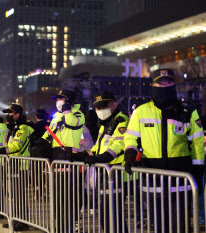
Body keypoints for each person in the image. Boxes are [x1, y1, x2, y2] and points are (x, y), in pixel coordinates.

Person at [124, 69, 205, 233]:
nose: (164, 85)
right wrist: (130, 153)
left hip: (181, 180)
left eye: (168, 82)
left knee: (180, 227)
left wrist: (198, 169)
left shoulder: (188, 111)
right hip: (153, 180)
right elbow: (130, 138)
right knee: (159, 226)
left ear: (174, 84)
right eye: (160, 82)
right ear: (152, 85)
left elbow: (197, 142)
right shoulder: (140, 111)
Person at [71, 91, 130, 233]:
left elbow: (119, 145)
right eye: (97, 107)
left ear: (114, 104)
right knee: (105, 216)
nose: (100, 110)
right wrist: (84, 155)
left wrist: (100, 158)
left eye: (104, 106)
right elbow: (98, 147)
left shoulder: (121, 120)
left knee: (113, 216)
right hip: (105, 173)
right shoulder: (105, 124)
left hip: (116, 173)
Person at [39, 89, 84, 232]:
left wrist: (66, 110)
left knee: (69, 198)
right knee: (58, 197)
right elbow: (49, 133)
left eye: (61, 98)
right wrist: (39, 143)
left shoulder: (78, 113)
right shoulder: (56, 116)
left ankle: (68, 227)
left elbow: (71, 123)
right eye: (57, 99)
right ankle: (59, 226)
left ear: (69, 100)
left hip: (70, 158)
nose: (57, 101)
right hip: (57, 157)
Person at [0, 103, 34, 231]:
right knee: (14, 194)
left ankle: (22, 222)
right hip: (14, 164)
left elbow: (17, 147)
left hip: (20, 165)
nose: (8, 116)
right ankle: (16, 219)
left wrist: (1, 151)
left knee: (19, 195)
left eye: (11, 113)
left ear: (17, 114)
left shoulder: (23, 129)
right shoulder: (15, 128)